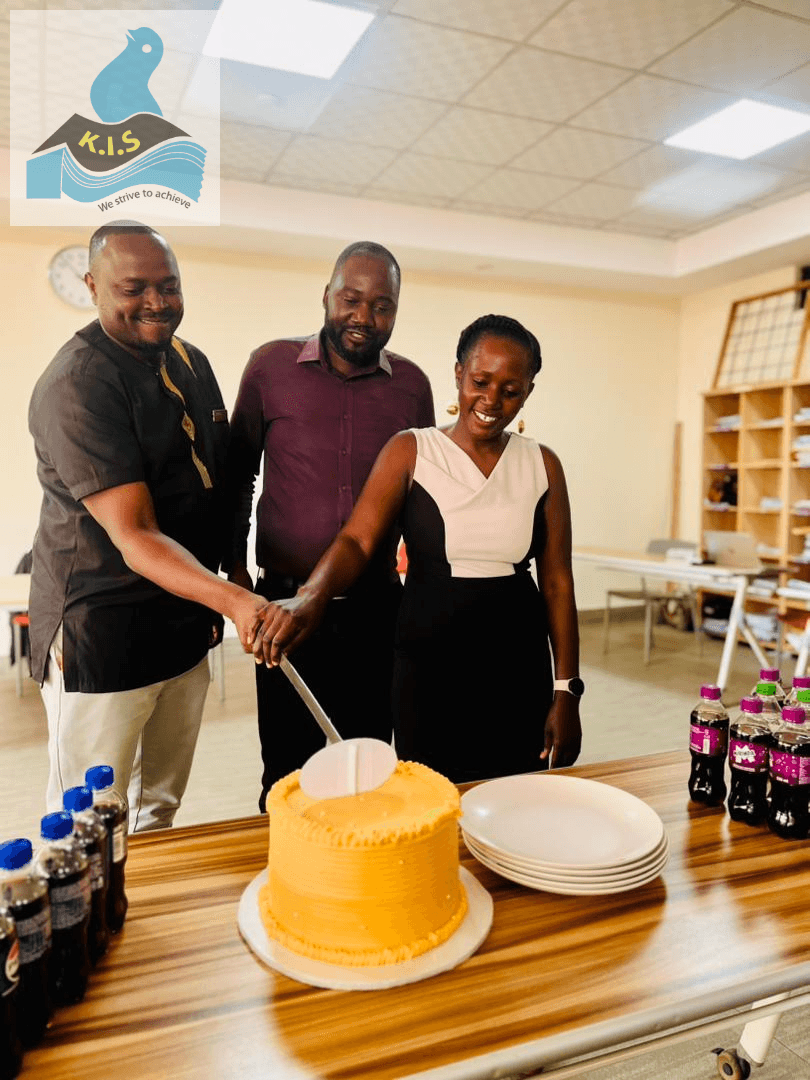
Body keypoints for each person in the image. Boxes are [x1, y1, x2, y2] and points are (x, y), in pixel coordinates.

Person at [248, 314, 582, 782]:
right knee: (428, 794)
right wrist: (311, 596)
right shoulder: (411, 450)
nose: (491, 401)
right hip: (429, 661)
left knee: (515, 792)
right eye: (480, 382)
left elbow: (557, 581)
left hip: (516, 661)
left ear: (528, 391)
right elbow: (357, 540)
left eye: (511, 390)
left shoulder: (543, 463)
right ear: (459, 374)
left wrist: (566, 691)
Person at [28, 221, 265, 831]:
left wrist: (231, 577)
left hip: (184, 624)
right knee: (89, 817)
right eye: (134, 288)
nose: (157, 302)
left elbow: (220, 483)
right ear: (92, 286)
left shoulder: (192, 362)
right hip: (102, 633)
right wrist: (236, 599)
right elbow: (135, 536)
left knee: (158, 805)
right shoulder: (79, 384)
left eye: (169, 285)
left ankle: (144, 922)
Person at [226, 241, 435, 807]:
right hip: (282, 605)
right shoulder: (270, 367)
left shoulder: (412, 385)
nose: (365, 317)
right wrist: (235, 572)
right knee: (287, 771)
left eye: (382, 305)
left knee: (367, 763)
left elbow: (423, 492)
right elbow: (238, 473)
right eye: (351, 299)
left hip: (375, 607)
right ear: (327, 297)